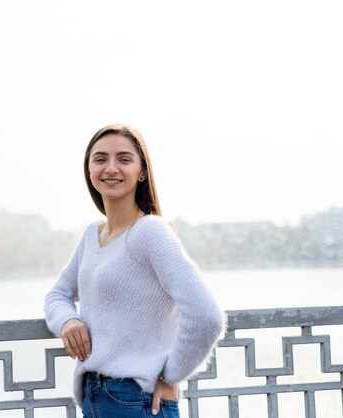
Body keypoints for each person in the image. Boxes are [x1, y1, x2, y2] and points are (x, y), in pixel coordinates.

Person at [44, 124, 225, 418]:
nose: (111, 168)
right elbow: (57, 294)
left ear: (142, 171)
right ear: (89, 169)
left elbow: (207, 316)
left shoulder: (150, 232)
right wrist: (67, 321)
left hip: (136, 400)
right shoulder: (92, 234)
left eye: (124, 159)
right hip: (94, 396)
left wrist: (170, 376)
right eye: (100, 159)